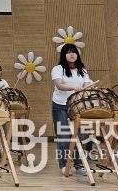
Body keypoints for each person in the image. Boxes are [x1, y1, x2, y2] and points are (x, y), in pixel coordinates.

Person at [51, 43, 92, 176]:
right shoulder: (57, 69)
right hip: (60, 105)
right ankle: (64, 165)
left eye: (74, 52)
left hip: (77, 106)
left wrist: (88, 87)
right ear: (64, 55)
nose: (72, 54)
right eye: (68, 52)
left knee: (79, 136)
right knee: (63, 135)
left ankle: (79, 165)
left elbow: (86, 84)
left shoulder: (82, 70)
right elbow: (59, 85)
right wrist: (74, 87)